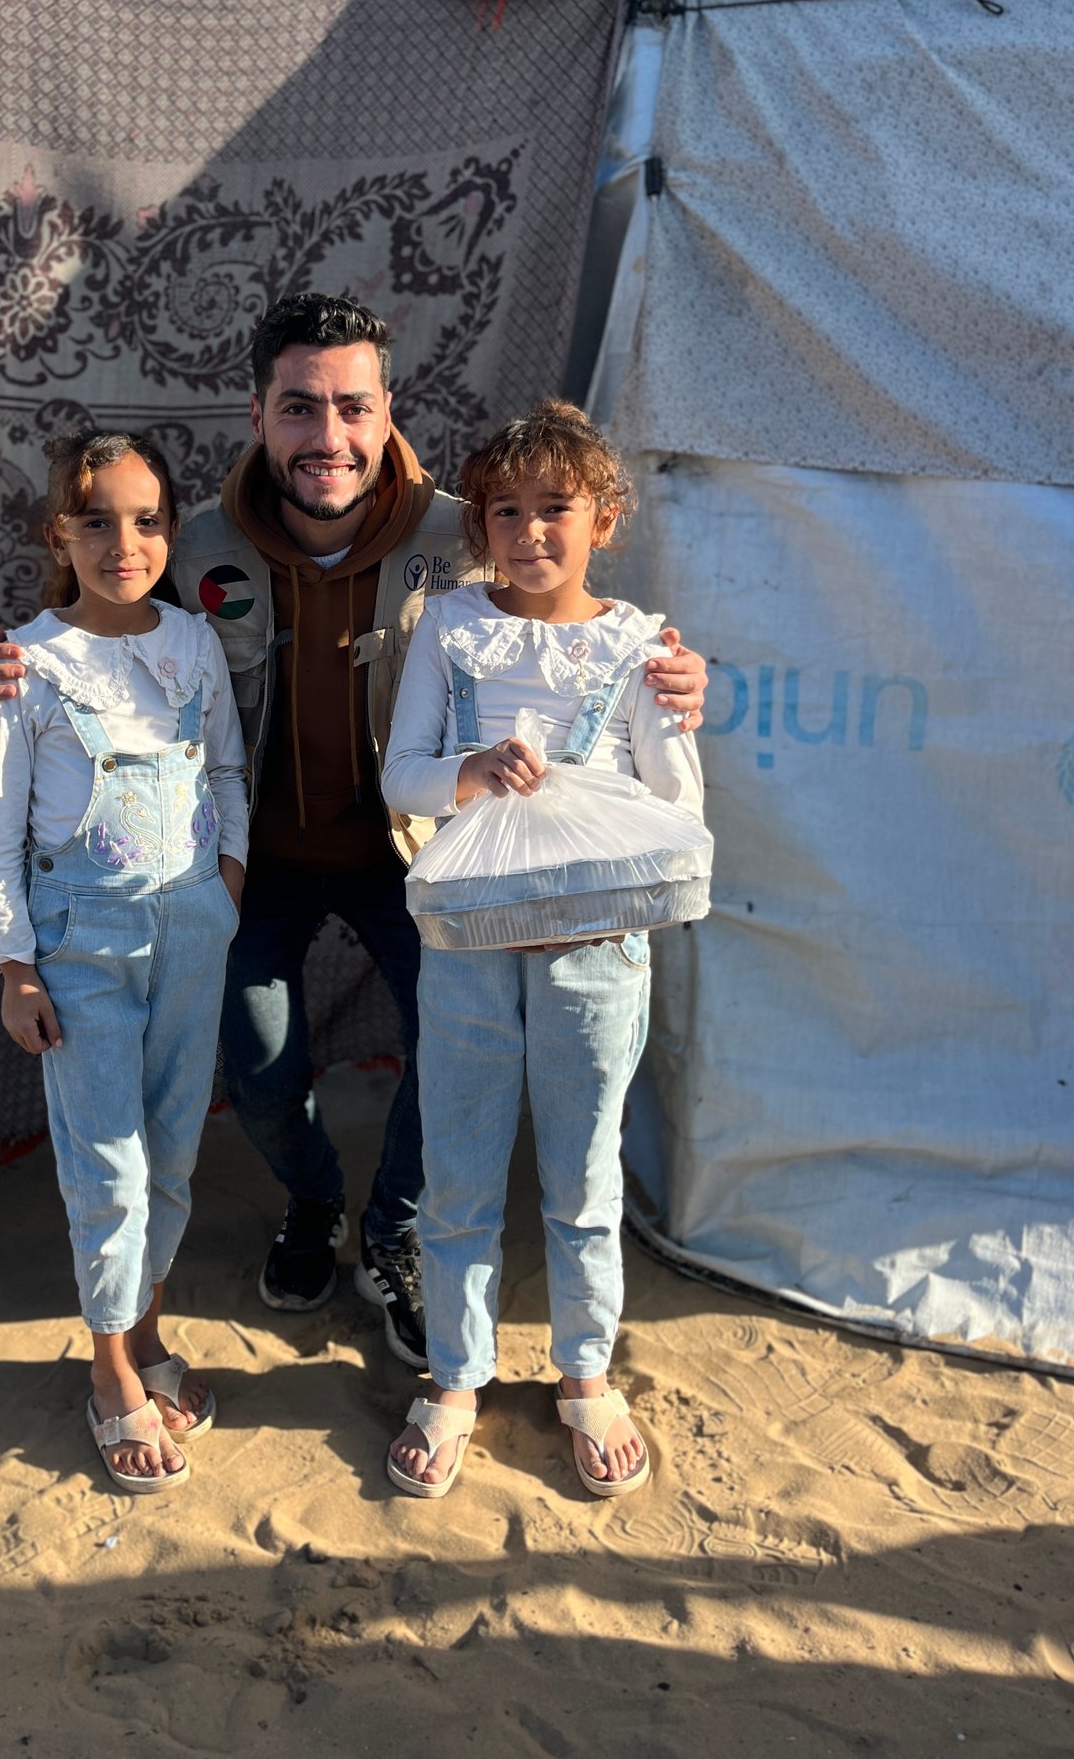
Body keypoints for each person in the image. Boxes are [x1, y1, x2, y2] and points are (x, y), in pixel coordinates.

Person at [0, 294, 709, 1373]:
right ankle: (313, 1199)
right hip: (243, 866)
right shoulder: (190, 541)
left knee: (444, 1049)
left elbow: (568, 611)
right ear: (259, 413)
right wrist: (1, 668)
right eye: (300, 408)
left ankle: (394, 1228)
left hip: (422, 862)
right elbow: (99, 632)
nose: (329, 437)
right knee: (258, 1067)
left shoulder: (469, 527)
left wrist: (668, 671)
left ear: (385, 408)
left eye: (351, 407)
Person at [380, 398, 704, 1500]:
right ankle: (458, 1372)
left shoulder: (640, 644)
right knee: (458, 1168)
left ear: (602, 518)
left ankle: (583, 1373)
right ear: (479, 526)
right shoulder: (451, 627)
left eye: (555, 508)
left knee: (582, 1171)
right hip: (470, 939)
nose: (529, 533)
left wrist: (671, 723)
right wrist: (469, 773)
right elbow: (403, 775)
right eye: (504, 511)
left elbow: (673, 799)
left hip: (597, 948)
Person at [0, 429, 248, 1495]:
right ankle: (109, 1376)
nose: (122, 541)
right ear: (60, 533)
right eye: (96, 520)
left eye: (144, 520)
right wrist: (16, 969)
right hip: (80, 944)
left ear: (170, 532)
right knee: (110, 1168)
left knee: (171, 1150)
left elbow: (222, 764)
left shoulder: (192, 642)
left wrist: (224, 881)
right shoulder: (28, 663)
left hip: (191, 928)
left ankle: (148, 1336)